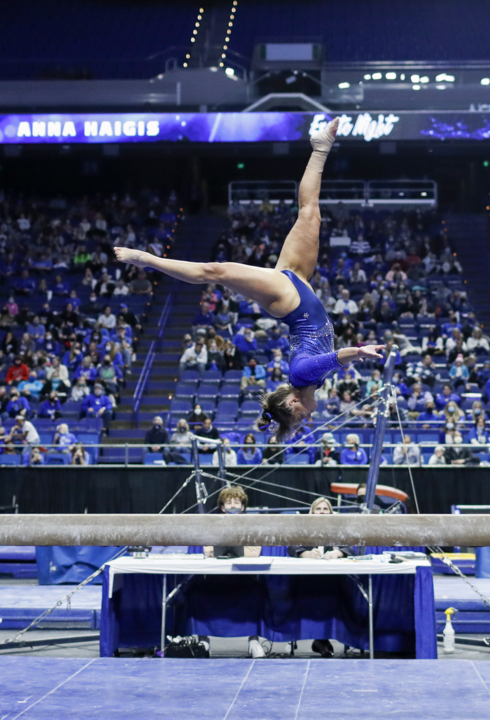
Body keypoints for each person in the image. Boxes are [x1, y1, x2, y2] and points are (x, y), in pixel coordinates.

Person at [115, 119, 384, 443]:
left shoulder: (301, 376)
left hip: (289, 300)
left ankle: (145, 259)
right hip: (300, 285)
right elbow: (323, 371)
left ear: (292, 401)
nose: (309, 416)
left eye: (300, 416)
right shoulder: (314, 384)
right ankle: (320, 147)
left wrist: (360, 352)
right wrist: (271, 421)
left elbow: (334, 357)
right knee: (310, 213)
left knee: (213, 272)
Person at [200, 486, 267, 658]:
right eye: (228, 503)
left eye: (236, 502)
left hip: (245, 577)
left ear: (243, 506)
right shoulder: (213, 525)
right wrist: (239, 550)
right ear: (222, 507)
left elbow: (256, 552)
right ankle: (203, 642)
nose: (232, 506)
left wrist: (227, 550)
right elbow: (207, 551)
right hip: (217, 578)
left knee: (257, 593)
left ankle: (254, 641)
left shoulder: (252, 526)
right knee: (197, 593)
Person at [287, 496, 352, 658]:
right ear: (312, 511)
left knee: (334, 595)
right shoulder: (303, 528)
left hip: (333, 578)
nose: (322, 512)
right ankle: (321, 640)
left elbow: (350, 547)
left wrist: (337, 553)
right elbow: (292, 547)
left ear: (331, 512)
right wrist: (306, 553)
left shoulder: (339, 529)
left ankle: (322, 640)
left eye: (325, 509)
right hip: (306, 579)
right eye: (319, 509)